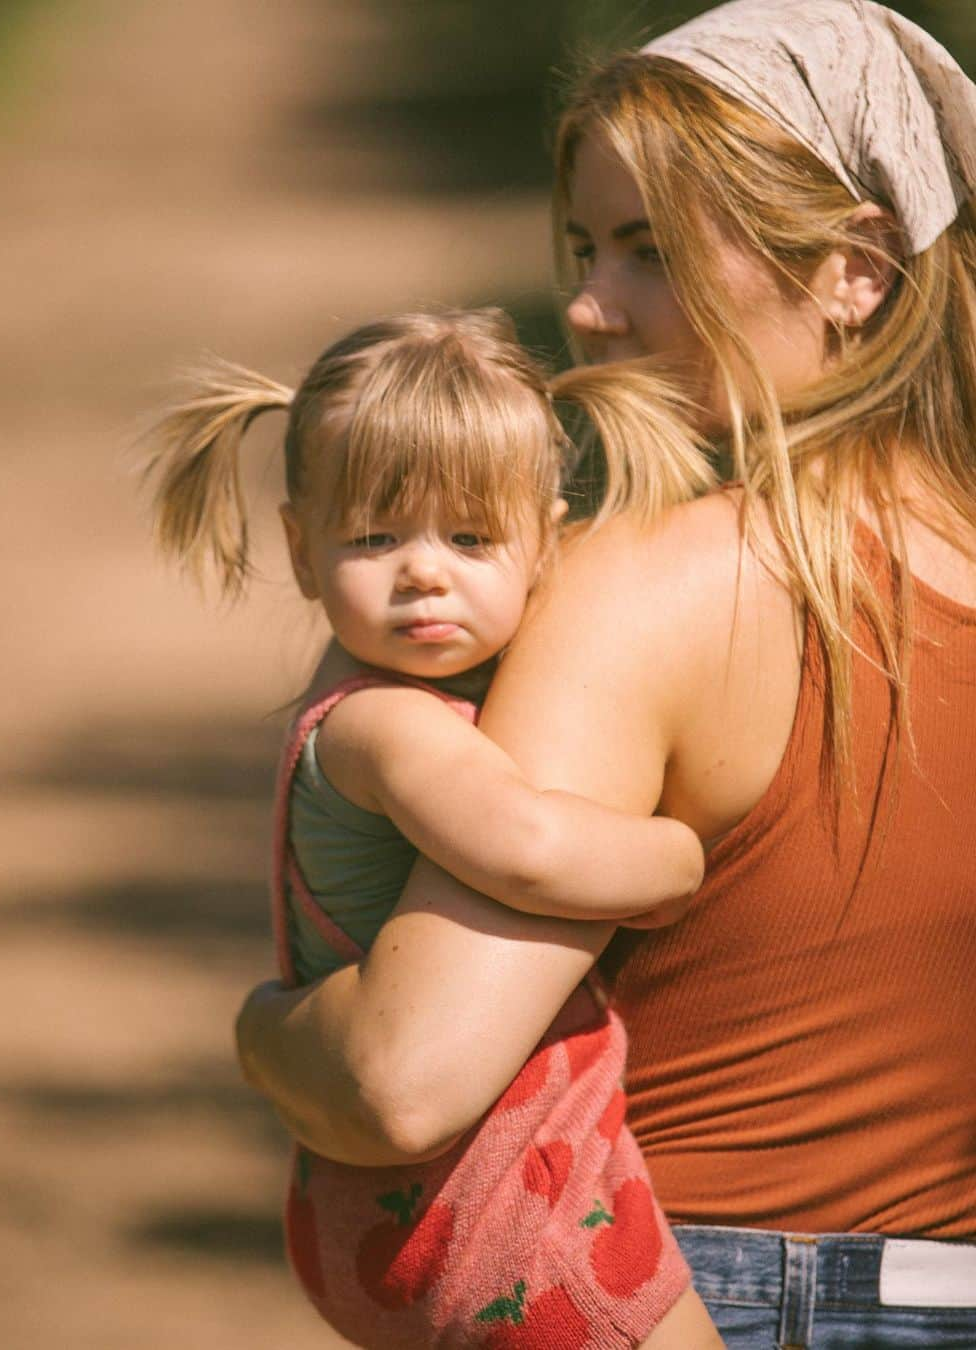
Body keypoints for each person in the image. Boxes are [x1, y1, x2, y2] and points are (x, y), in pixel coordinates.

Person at [236, 1, 976, 1344]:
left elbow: (405, 1077)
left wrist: (261, 1025)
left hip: (684, 1294)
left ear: (857, 266)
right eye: (584, 244)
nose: (586, 303)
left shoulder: (646, 587)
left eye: (650, 249)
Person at [149, 309, 720, 1346]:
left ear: (545, 541)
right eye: (375, 537)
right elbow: (530, 849)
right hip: (493, 1215)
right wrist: (681, 856)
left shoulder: (360, 687)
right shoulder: (385, 725)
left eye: (469, 537)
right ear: (299, 547)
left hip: (393, 1213)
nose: (423, 572)